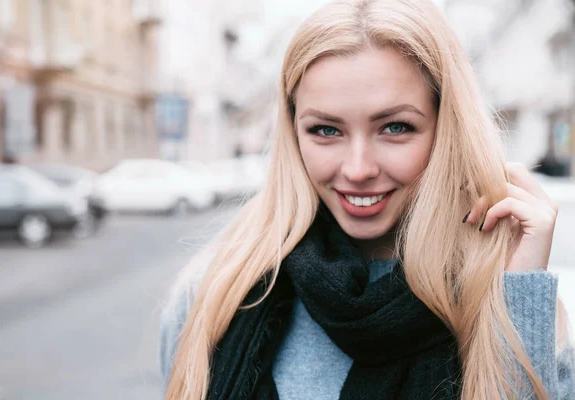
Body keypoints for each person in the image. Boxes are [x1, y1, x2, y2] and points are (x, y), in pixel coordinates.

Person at [159, 0, 575, 398]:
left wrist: (517, 294)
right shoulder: (214, 296)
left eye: (395, 127)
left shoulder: (513, 302)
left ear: (447, 128)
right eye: (326, 130)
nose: (358, 169)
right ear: (292, 132)